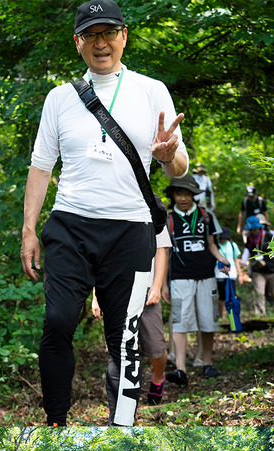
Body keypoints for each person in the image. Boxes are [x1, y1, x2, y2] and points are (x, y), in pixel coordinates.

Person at [21, 0, 188, 427]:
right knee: (58, 321)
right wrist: (28, 230)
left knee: (125, 336)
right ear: (78, 42)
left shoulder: (151, 91)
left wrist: (167, 156)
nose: (101, 43)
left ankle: (122, 426)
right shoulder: (60, 98)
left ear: (124, 36)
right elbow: (41, 167)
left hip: (131, 229)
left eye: (109, 32)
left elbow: (179, 167)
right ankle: (55, 422)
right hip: (70, 224)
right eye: (91, 34)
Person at [95, 222, 173, 406]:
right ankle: (125, 398)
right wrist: (96, 295)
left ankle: (158, 376)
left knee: (155, 346)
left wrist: (157, 285)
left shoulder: (152, 209)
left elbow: (161, 249)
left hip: (146, 288)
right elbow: (99, 255)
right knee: (119, 349)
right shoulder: (108, 212)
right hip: (115, 289)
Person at [165, 173, 230, 379]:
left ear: (193, 195)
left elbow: (211, 244)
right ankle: (181, 368)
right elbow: (164, 252)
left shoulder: (205, 216)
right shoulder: (168, 219)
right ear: (173, 196)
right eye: (179, 194)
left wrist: (223, 259)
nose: (183, 198)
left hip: (206, 276)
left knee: (208, 319)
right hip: (179, 278)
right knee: (179, 321)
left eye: (187, 194)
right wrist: (163, 285)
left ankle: (207, 363)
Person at [245, 215, 273, 315]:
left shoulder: (269, 236)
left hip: (272, 270)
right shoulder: (249, 238)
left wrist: (266, 261)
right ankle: (262, 316)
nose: (252, 231)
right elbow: (248, 251)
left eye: (253, 229)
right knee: (259, 294)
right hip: (258, 270)